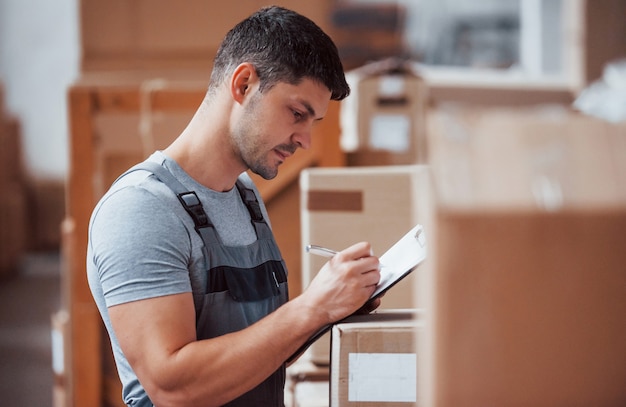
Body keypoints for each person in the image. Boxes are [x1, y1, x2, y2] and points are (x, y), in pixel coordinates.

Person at [87, 5, 381, 407]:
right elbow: (173, 386)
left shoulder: (245, 195)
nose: (305, 140)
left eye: (313, 122)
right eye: (297, 113)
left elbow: (257, 348)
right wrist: (312, 307)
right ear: (243, 84)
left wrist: (332, 307)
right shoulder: (141, 210)